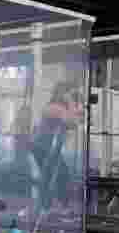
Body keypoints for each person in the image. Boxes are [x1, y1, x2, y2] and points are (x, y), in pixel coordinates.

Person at [30, 81, 85, 212]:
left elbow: (76, 122)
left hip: (49, 147)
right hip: (42, 146)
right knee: (58, 174)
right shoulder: (53, 107)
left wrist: (76, 106)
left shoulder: (61, 108)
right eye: (70, 92)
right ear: (62, 93)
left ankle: (47, 207)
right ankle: (47, 207)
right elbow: (71, 121)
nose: (72, 95)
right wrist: (72, 102)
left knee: (54, 175)